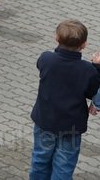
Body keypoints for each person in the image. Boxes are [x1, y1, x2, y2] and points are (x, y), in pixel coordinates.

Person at [29, 20, 100, 180]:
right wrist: (97, 67)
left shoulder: (46, 58)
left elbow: (41, 66)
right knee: (64, 165)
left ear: (56, 38)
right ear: (84, 45)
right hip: (71, 126)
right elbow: (92, 91)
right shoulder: (88, 70)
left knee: (40, 160)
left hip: (44, 121)